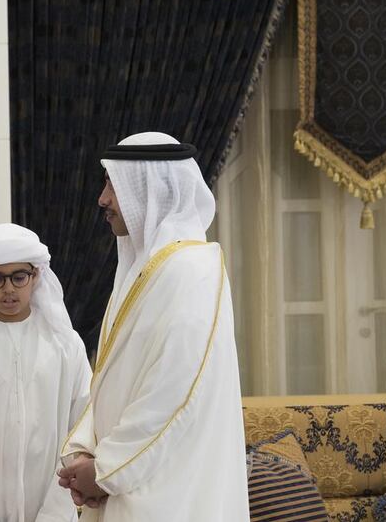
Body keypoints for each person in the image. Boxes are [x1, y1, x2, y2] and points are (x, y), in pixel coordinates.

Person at [58, 132, 249, 521]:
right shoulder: (143, 271)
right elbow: (113, 381)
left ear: (146, 188)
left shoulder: (193, 271)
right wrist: (83, 451)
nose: (103, 199)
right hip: (128, 480)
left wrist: (105, 470)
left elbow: (172, 392)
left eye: (112, 183)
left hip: (169, 490)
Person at [0, 223, 92, 522]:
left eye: (19, 277)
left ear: (36, 275)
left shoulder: (65, 344)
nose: (9, 289)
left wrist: (55, 513)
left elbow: (81, 432)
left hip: (54, 509)